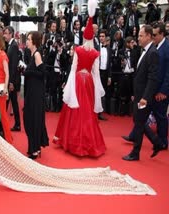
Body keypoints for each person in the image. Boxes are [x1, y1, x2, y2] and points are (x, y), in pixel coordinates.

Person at [0, 19, 156, 214]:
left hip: (13, 93)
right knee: (15, 121)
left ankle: (25, 147)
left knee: (12, 121)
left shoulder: (35, 53)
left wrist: (18, 78)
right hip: (82, 85)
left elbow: (27, 74)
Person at [53, 4, 106, 157]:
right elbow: (96, 74)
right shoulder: (95, 53)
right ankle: (90, 142)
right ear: (93, 37)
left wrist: (69, 86)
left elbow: (73, 69)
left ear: (84, 37)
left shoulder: (78, 50)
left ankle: (72, 141)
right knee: (88, 111)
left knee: (74, 111)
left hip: (77, 80)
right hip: (88, 81)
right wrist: (96, 88)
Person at [122, 25, 163, 161]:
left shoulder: (152, 53)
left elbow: (153, 78)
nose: (138, 38)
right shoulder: (144, 51)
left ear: (148, 36)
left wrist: (145, 97)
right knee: (138, 121)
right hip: (139, 94)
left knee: (139, 123)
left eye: (140, 36)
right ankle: (157, 142)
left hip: (144, 96)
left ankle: (135, 153)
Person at [23, 31, 49, 159]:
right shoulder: (31, 54)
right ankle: (34, 148)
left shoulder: (37, 54)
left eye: (28, 39)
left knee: (33, 119)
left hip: (36, 94)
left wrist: (29, 72)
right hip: (31, 92)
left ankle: (35, 149)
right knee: (30, 119)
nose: (26, 41)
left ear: (34, 41)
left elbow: (43, 73)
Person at [0, 32, 12, 143]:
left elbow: (7, 73)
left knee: (2, 115)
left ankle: (9, 139)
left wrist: (5, 89)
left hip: (0, 87)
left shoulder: (3, 55)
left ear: (0, 42)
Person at [3, 26, 21, 131]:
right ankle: (16, 124)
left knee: (10, 102)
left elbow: (13, 65)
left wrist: (11, 82)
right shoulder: (10, 45)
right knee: (13, 103)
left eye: (5, 33)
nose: (4, 35)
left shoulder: (13, 46)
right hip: (12, 80)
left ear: (11, 34)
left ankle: (3, 125)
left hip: (12, 81)